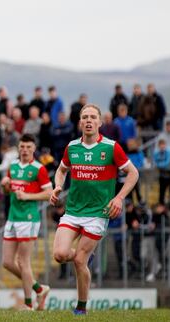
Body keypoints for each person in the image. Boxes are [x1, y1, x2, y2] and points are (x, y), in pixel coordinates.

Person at [51, 104, 139, 316]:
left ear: (100, 122)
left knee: (80, 261)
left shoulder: (111, 147)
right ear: (80, 122)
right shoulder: (72, 147)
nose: (88, 120)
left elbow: (133, 173)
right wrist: (57, 186)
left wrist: (118, 198)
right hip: (73, 211)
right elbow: (61, 170)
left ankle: (81, 308)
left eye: (92, 117)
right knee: (60, 254)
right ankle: (83, 257)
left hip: (98, 214)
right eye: (85, 117)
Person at [0, 134, 53, 311]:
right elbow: (8, 192)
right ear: (18, 148)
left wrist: (29, 195)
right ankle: (39, 289)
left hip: (29, 219)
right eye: (22, 146)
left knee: (23, 262)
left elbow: (49, 194)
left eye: (28, 147)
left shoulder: (39, 169)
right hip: (13, 217)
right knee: (7, 262)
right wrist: (5, 185)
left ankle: (28, 305)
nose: (25, 150)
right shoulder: (13, 166)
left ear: (34, 149)